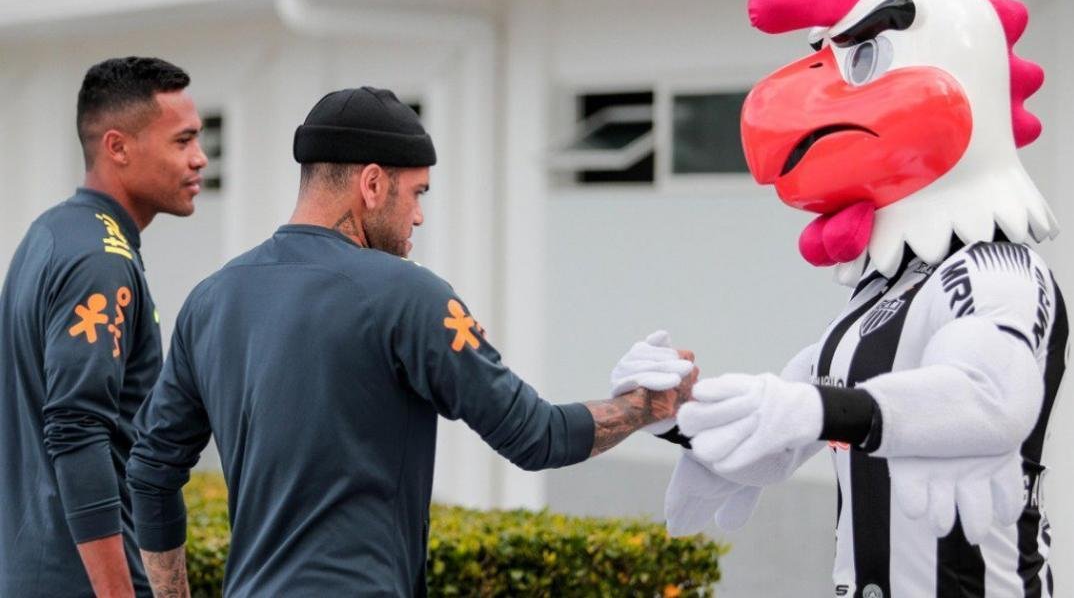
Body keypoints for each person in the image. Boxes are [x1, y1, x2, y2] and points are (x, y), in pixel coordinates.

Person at [659, 0, 1067, 597]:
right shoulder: (884, 294)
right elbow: (779, 428)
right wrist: (671, 412)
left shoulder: (999, 272)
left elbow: (989, 398)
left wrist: (810, 408)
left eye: (865, 55)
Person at [126, 86, 697, 597]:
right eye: (416, 193)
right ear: (372, 184)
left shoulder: (212, 299)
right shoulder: (407, 294)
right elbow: (535, 436)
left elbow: (151, 469)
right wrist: (644, 404)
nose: (419, 217)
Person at [0, 57, 207, 597]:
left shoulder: (53, 234)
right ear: (117, 147)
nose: (200, 159)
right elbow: (77, 430)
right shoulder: (99, 259)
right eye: (182, 141)